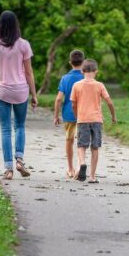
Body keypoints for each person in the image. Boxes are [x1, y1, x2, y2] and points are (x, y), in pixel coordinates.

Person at [0, 10, 38, 180]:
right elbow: (29, 72)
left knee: (6, 129)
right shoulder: (24, 44)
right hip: (21, 90)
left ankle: (8, 169)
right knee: (20, 126)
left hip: (1, 89)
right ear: (16, 25)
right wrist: (34, 94)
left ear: (0, 25)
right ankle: (19, 159)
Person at [70, 59, 117, 183]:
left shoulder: (77, 85)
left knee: (81, 145)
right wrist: (113, 116)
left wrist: (77, 116)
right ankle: (92, 176)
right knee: (95, 147)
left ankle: (82, 164)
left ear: (82, 71)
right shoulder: (99, 85)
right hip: (96, 120)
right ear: (96, 71)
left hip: (82, 119)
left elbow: (73, 105)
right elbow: (109, 102)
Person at [53, 49, 86, 179]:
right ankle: (79, 167)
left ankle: (70, 168)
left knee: (69, 140)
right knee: (81, 141)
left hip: (68, 115)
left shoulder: (65, 78)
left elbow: (59, 99)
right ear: (83, 63)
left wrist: (56, 115)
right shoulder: (86, 77)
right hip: (84, 115)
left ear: (70, 62)